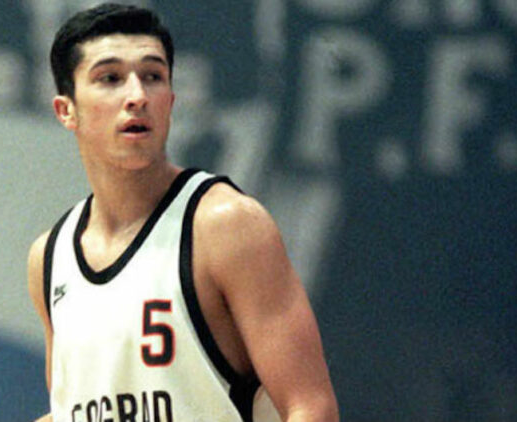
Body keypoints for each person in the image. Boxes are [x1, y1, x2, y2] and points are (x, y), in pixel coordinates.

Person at [28, 3, 338, 421]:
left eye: (152, 76)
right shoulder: (50, 258)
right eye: (110, 78)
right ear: (66, 110)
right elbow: (73, 409)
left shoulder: (226, 225)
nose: (137, 96)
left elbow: (311, 407)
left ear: (170, 101)